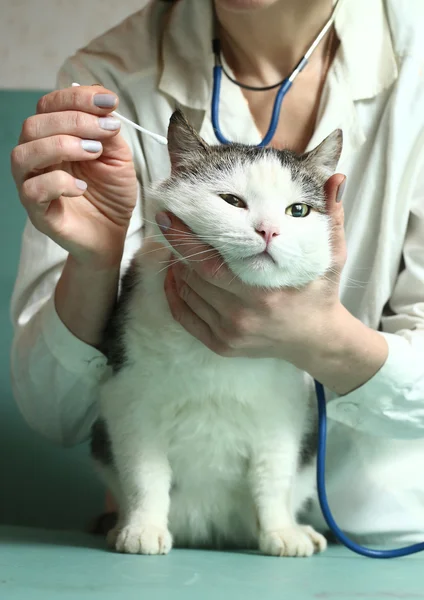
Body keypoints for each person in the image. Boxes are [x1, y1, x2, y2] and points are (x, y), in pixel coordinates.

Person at [9, 0, 424, 547]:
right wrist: (96, 263)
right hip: (176, 531)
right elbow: (55, 414)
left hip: (389, 530)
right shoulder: (111, 73)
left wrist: (320, 341)